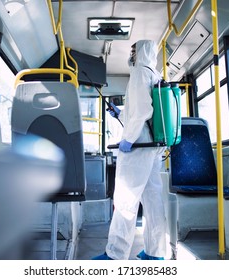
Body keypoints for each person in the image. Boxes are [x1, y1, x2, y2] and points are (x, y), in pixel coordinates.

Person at [92, 40, 167, 260]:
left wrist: (129, 139)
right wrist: (120, 114)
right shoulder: (154, 74)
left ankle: (115, 255)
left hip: (140, 144)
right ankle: (155, 252)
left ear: (142, 52)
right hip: (154, 144)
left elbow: (142, 111)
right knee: (153, 200)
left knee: (126, 198)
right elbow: (142, 113)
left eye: (134, 51)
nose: (132, 55)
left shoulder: (139, 74)